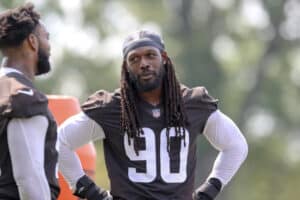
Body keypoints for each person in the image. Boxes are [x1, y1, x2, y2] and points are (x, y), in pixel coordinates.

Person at [58, 30, 248, 200]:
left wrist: (209, 190)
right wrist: (89, 191)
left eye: (150, 55)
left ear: (164, 57)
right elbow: (59, 141)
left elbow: (236, 145)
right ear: (126, 67)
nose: (144, 64)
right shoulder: (111, 107)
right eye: (134, 59)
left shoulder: (191, 103)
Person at [0, 3, 60, 200]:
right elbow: (28, 179)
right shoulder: (22, 96)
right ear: (33, 42)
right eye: (47, 38)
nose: (49, 46)